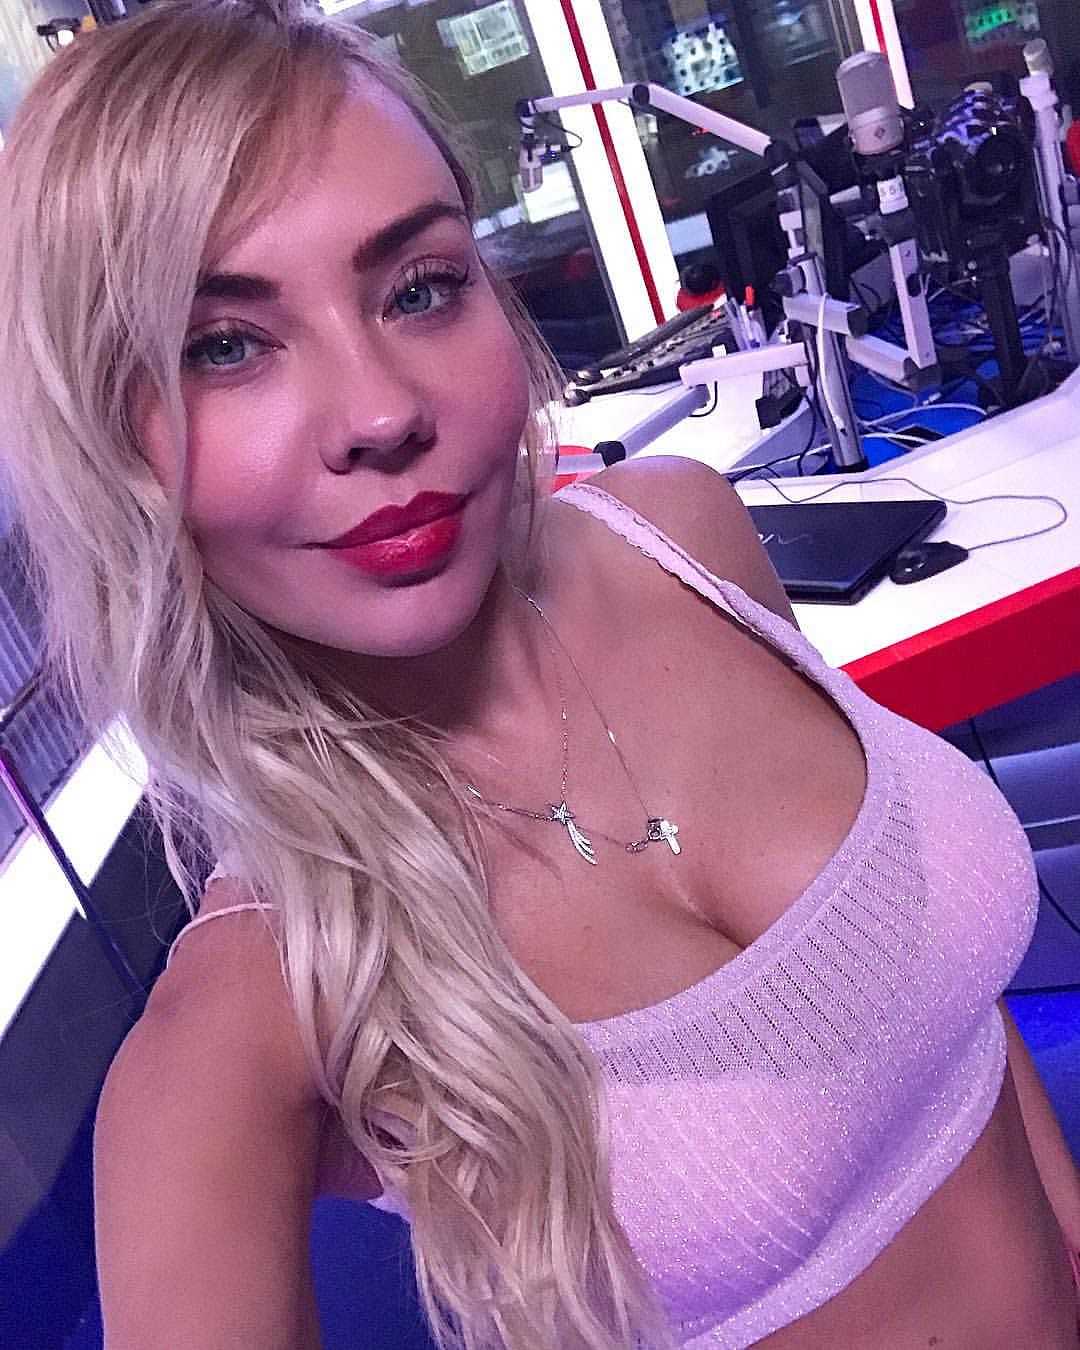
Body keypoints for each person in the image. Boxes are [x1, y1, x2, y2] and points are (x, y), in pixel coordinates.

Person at [1, 1, 1078, 1346]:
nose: (382, 409)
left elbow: (943, 1018)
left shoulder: (678, 532)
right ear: (109, 438)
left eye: (418, 286)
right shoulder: (244, 1018)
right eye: (224, 344)